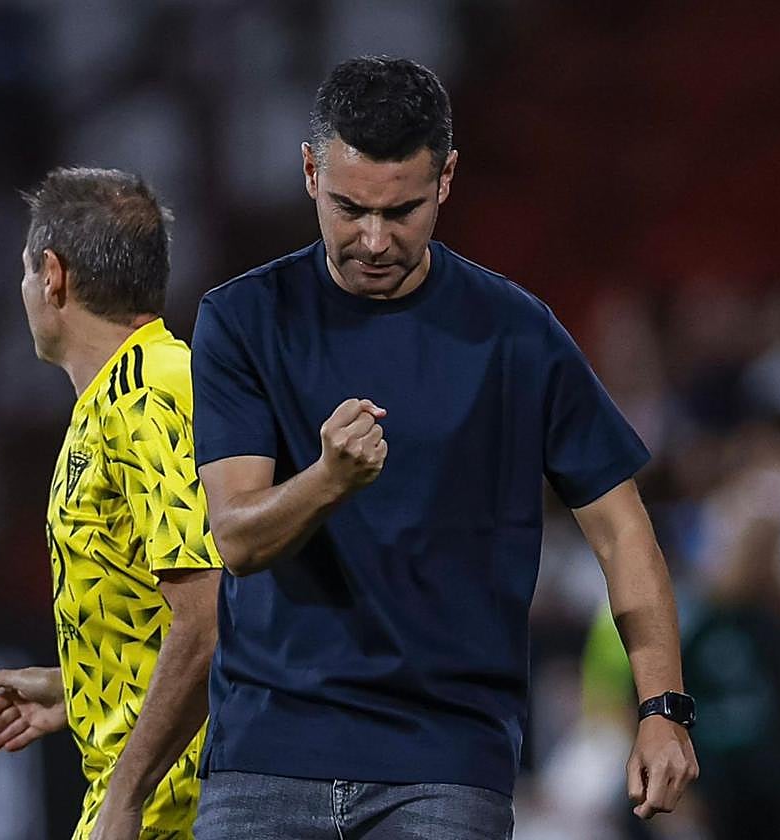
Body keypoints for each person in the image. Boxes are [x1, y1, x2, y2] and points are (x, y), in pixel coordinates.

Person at [188, 57, 699, 839]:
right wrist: (328, 479)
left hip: (445, 767)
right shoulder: (242, 320)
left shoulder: (515, 333)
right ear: (308, 172)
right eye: (349, 207)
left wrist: (662, 707)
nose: (373, 239)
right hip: (266, 760)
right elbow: (238, 538)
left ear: (448, 178)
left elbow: (623, 530)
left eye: (403, 211)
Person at [0, 168, 223, 840]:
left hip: (174, 807)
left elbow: (206, 617)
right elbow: (163, 604)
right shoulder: (117, 398)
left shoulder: (150, 393)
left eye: (27, 271)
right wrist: (82, 689)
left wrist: (126, 797)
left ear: (52, 276)